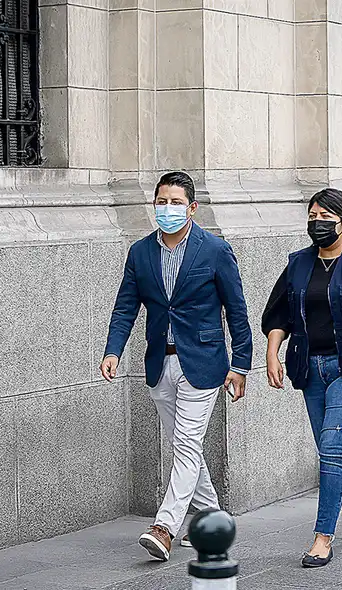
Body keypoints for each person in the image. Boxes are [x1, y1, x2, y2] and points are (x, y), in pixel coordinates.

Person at [100, 171, 252, 561]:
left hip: (202, 362)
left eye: (175, 203)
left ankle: (164, 526)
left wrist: (241, 365)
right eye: (161, 202)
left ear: (192, 208)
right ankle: (214, 518)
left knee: (185, 444)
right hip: (158, 362)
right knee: (184, 445)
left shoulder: (215, 250)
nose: (167, 209)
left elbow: (236, 310)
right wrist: (113, 350)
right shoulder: (140, 252)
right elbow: (125, 306)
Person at [261, 188, 342, 568]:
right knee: (334, 449)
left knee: (330, 447)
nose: (317, 222)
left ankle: (322, 535)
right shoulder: (298, 263)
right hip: (310, 368)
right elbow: (278, 315)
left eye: (325, 216)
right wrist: (272, 354)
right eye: (312, 215)